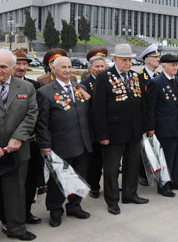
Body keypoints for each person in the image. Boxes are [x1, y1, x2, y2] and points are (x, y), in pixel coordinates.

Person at [93, 44, 149, 215]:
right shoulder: (104, 77)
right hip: (113, 132)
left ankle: (130, 194)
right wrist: (102, 135)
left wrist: (144, 127)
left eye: (130, 60)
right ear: (115, 59)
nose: (127, 63)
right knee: (111, 168)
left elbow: (141, 104)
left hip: (133, 130)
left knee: (132, 164)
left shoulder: (135, 76)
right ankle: (112, 200)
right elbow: (98, 109)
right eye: (124, 59)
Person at [36, 56, 93, 227]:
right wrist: (45, 145)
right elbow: (42, 123)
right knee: (58, 181)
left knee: (79, 177)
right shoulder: (45, 92)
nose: (68, 70)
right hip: (61, 145)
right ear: (53, 69)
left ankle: (74, 206)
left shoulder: (79, 88)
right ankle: (55, 210)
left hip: (82, 143)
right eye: (63, 67)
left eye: (70, 66)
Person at [0, 49, 38, 241]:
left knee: (15, 191)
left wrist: (18, 138)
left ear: (13, 68)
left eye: (3, 67)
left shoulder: (26, 88)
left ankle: (16, 229)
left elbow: (31, 115)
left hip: (17, 150)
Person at [145, 54, 178, 196]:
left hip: (177, 125)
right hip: (163, 127)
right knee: (166, 157)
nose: (175, 67)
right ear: (163, 66)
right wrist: (150, 127)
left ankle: (176, 181)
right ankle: (164, 185)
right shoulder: (156, 82)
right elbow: (150, 108)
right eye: (172, 65)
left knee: (177, 156)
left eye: (176, 65)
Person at [11, 49, 42, 225]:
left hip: (31, 142)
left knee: (30, 181)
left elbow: (38, 115)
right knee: (11, 184)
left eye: (25, 64)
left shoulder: (34, 86)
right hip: (9, 143)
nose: (22, 67)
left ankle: (26, 212)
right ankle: (9, 218)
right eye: (18, 63)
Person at [79, 47, 108, 199]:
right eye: (97, 66)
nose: (100, 69)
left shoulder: (111, 81)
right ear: (90, 68)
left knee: (110, 161)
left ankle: (111, 185)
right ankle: (94, 186)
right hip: (93, 130)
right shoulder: (84, 84)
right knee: (95, 162)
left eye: (102, 66)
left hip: (109, 128)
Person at [136, 43, 160, 186]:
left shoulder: (158, 76)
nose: (158, 59)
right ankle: (141, 174)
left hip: (156, 118)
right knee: (142, 149)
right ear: (147, 60)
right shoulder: (138, 76)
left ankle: (152, 171)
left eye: (158, 57)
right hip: (143, 119)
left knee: (153, 148)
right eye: (155, 57)